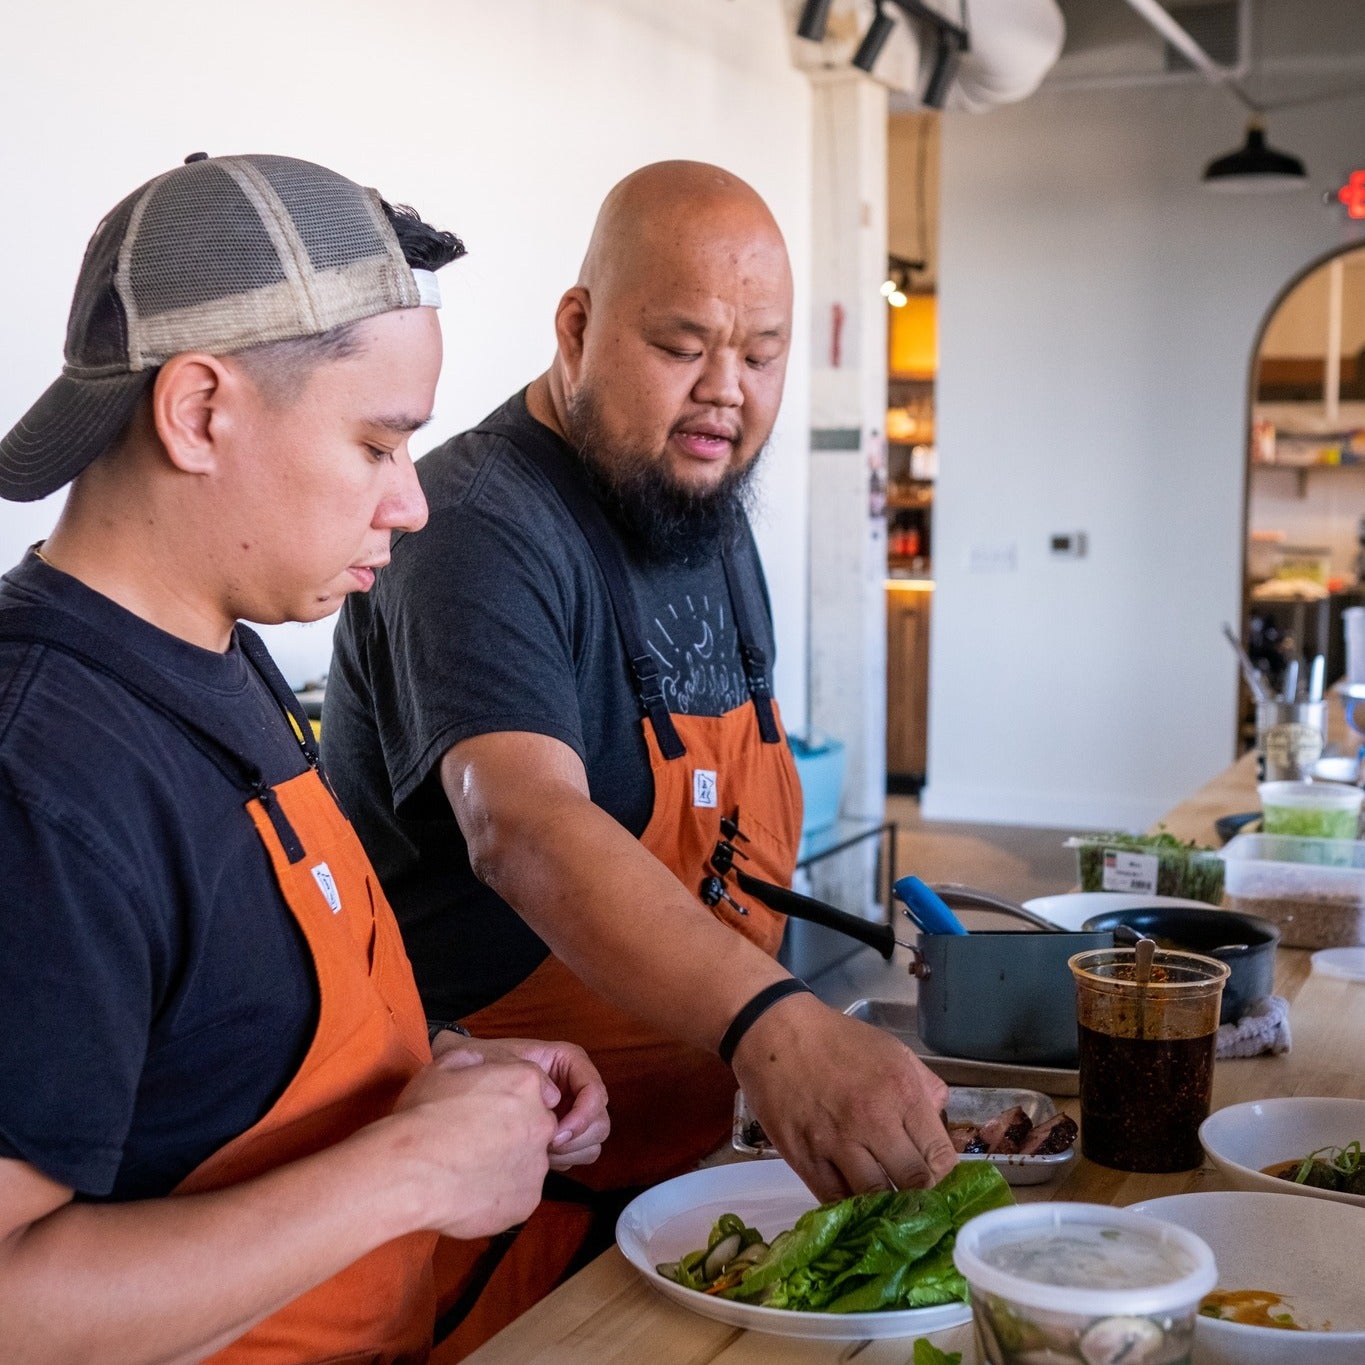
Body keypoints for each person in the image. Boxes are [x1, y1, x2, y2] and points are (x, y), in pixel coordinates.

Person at [323, 159, 955, 1351]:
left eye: (762, 355)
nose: (726, 392)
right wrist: (780, 1029)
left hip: (696, 1194)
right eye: (682, 347)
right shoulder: (477, 523)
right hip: (505, 1233)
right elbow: (523, 825)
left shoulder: (697, 501)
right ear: (576, 327)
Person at [0, 152, 608, 1364]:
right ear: (199, 412)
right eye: (379, 445)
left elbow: (208, 1048)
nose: (412, 504)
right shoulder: (42, 776)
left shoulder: (221, 648)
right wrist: (412, 1167)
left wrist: (438, 1072)